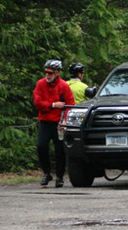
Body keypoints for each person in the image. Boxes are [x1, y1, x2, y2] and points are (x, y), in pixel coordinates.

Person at [32, 59, 76, 187]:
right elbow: (37, 102)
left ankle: (60, 177)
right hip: (45, 122)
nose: (47, 75)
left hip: (59, 123)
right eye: (46, 73)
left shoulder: (63, 86)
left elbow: (70, 105)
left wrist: (64, 120)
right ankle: (46, 173)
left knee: (60, 151)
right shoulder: (40, 84)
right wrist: (53, 105)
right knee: (41, 146)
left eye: (50, 73)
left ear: (57, 72)